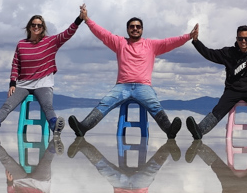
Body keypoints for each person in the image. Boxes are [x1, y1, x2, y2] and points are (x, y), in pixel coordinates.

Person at [68, 7, 196, 139]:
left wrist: (189, 36)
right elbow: (102, 34)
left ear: (142, 29)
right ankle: (83, 127)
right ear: (128, 29)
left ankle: (169, 129)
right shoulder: (120, 43)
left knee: (154, 104)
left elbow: (170, 42)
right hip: (122, 86)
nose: (135, 29)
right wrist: (87, 19)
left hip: (143, 87)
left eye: (138, 27)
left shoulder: (151, 45)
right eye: (132, 26)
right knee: (105, 102)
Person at [0, 11, 83, 140]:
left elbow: (67, 33)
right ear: (29, 27)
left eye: (39, 25)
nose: (36, 27)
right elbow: (15, 64)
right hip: (23, 83)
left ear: (43, 28)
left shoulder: (50, 42)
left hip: (43, 82)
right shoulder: (21, 44)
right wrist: (12, 83)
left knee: (47, 106)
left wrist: (79, 19)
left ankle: (55, 126)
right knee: (7, 105)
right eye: (33, 25)